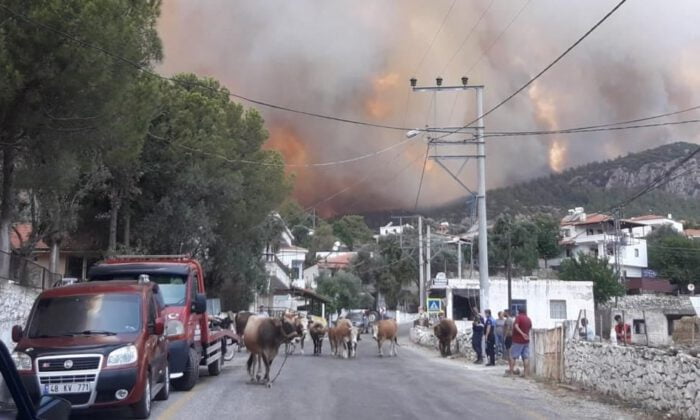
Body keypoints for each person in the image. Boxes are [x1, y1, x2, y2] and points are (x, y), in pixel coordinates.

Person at [508, 307, 532, 377]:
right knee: (525, 357)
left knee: (513, 356)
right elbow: (530, 328)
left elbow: (516, 326)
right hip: (526, 341)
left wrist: (522, 333)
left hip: (517, 340)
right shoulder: (528, 319)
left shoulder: (518, 317)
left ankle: (511, 373)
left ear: (518, 312)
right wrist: (525, 334)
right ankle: (526, 374)